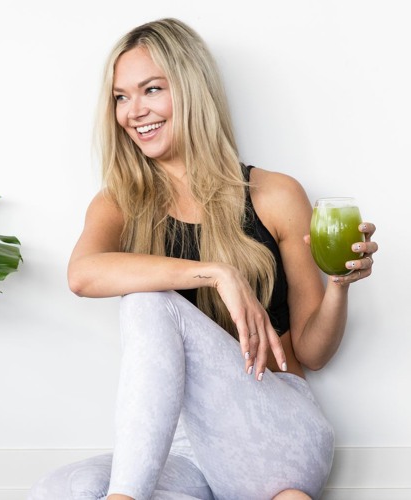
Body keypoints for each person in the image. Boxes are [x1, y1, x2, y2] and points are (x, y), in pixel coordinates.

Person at [28, 17, 378, 500]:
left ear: (191, 90)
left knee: (147, 301)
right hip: (188, 450)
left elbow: (313, 353)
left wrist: (338, 286)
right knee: (58, 488)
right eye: (120, 97)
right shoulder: (118, 202)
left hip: (275, 431)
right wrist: (215, 273)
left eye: (151, 89)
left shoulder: (273, 194)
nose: (134, 111)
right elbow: (82, 275)